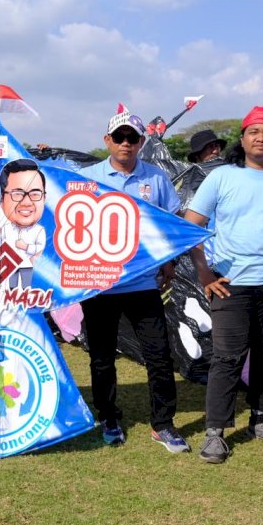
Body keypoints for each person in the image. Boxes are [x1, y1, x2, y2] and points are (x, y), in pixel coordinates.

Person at [185, 106, 263, 464]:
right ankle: (216, 432)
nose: (261, 138)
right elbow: (192, 224)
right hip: (229, 283)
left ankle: (261, 419)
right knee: (227, 356)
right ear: (242, 138)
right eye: (254, 132)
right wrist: (204, 273)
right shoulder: (222, 177)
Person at [79, 109, 189, 452]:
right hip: (100, 284)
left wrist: (170, 262)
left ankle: (163, 424)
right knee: (101, 358)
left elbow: (171, 223)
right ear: (107, 141)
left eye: (133, 138)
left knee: (159, 356)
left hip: (144, 284)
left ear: (141, 142)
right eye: (119, 137)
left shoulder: (156, 178)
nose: (126, 143)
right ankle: (108, 416)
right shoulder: (87, 178)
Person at [0, 159, 46, 289]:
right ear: (1, 199)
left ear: (44, 198)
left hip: (27, 267)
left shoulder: (39, 230)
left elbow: (39, 248)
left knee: (27, 289)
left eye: (35, 194)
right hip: (9, 267)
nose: (27, 202)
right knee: (11, 289)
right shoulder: (5, 228)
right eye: (17, 194)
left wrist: (26, 247)